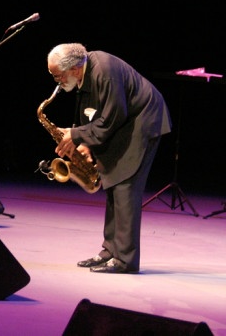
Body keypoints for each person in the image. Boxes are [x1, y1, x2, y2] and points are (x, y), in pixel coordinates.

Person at [46, 42, 172, 273]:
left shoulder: (105, 73)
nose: (58, 81)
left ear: (73, 68)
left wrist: (75, 135)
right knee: (113, 184)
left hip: (143, 121)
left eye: (58, 76)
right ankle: (110, 251)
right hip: (125, 122)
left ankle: (125, 260)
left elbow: (113, 117)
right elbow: (95, 114)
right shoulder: (85, 74)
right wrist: (86, 144)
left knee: (125, 185)